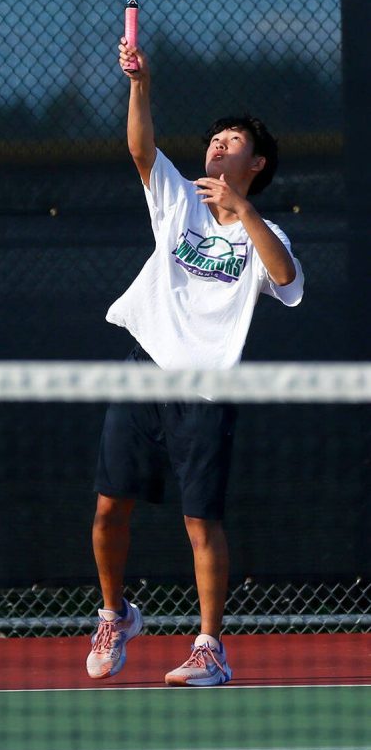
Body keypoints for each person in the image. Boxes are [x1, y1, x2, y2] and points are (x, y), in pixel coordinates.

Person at [86, 39, 304, 687]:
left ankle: (210, 647)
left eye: (233, 140)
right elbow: (140, 150)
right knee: (106, 511)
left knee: (200, 523)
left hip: (206, 390)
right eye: (215, 139)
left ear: (256, 162)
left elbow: (287, 278)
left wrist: (244, 213)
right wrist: (140, 84)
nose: (217, 146)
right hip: (145, 366)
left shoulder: (264, 232)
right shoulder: (177, 199)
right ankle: (114, 614)